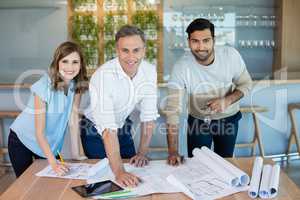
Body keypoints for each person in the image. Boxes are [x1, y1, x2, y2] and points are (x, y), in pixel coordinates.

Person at [165, 18, 252, 166]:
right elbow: (173, 110)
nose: (201, 47)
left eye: (206, 40)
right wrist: (173, 151)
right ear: (188, 42)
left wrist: (227, 100)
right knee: (197, 165)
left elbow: (246, 84)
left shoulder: (230, 56)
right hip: (198, 122)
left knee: (225, 164)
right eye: (195, 41)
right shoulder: (181, 67)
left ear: (214, 40)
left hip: (229, 119)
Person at [80, 25, 159, 187]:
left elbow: (149, 117)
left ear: (144, 50)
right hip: (95, 130)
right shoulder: (102, 76)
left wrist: (142, 153)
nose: (131, 57)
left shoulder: (149, 71)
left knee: (135, 172)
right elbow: (108, 130)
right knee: (104, 179)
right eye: (125, 50)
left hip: (122, 126)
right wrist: (119, 171)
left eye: (136, 50)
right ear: (117, 50)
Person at [8, 41, 88, 177]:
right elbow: (39, 132)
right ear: (57, 63)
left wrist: (77, 154)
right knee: (27, 185)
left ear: (81, 65)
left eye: (75, 62)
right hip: (22, 141)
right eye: (65, 61)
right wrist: (54, 163)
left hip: (47, 145)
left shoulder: (76, 86)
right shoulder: (43, 86)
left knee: (48, 183)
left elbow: (73, 120)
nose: (70, 67)